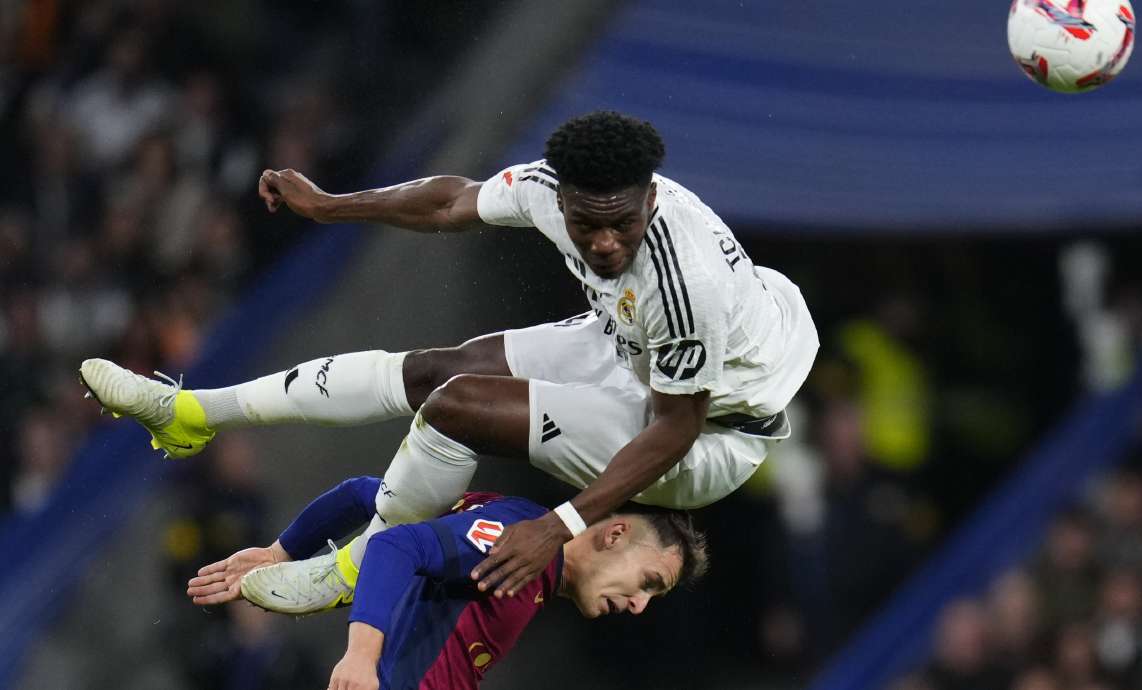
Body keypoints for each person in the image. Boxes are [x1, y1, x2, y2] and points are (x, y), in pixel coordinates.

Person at [80, 110, 818, 610]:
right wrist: (330, 206)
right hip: (638, 346)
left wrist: (558, 525)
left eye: (622, 225)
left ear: (650, 200)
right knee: (438, 370)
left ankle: (346, 572)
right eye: (587, 225)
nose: (603, 245)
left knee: (457, 407)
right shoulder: (545, 189)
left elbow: (674, 429)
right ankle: (190, 413)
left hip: (714, 428)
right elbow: (448, 203)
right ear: (557, 197)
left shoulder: (683, 284)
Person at [186, 475, 708, 690]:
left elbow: (372, 494)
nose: (640, 604)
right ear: (614, 534)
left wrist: (281, 552)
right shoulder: (517, 539)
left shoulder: (530, 556)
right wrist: (361, 656)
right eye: (650, 582)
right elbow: (396, 545)